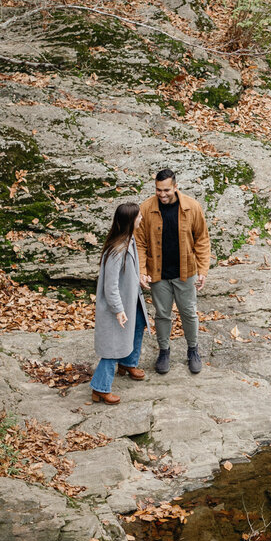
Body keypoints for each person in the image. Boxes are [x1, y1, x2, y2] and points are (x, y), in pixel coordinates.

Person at [136, 168, 212, 375]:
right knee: (162, 314)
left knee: (188, 312)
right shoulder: (145, 208)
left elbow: (202, 240)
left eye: (166, 190)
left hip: (186, 272)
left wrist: (203, 269)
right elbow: (140, 243)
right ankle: (164, 351)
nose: (162, 194)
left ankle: (193, 350)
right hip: (158, 273)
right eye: (158, 190)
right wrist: (142, 270)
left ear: (175, 187)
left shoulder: (192, 207)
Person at [91, 202, 149, 404]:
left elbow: (129, 271)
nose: (141, 219)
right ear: (130, 221)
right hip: (118, 306)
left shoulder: (130, 240)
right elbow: (111, 285)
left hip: (132, 300)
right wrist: (118, 310)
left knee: (138, 325)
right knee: (113, 345)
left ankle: (127, 363)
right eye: (139, 216)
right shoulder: (117, 250)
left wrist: (139, 278)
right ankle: (100, 387)